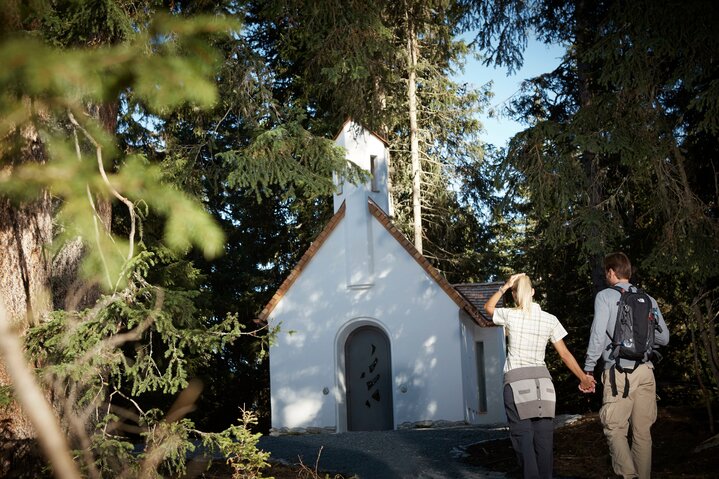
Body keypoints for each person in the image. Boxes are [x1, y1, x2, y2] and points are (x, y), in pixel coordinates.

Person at [485, 273, 595, 479]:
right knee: (544, 443)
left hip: (517, 384)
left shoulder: (511, 315)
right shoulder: (550, 320)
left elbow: (488, 309)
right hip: (544, 386)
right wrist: (583, 377)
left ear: (516, 295)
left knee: (523, 440)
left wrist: (505, 287)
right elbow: (564, 354)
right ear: (533, 293)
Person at [584, 252, 670, 479]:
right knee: (642, 434)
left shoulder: (605, 296)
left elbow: (598, 335)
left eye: (606, 272)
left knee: (615, 428)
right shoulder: (648, 299)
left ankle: (628, 476)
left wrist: (589, 367)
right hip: (645, 371)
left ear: (611, 272)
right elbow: (665, 338)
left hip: (618, 373)